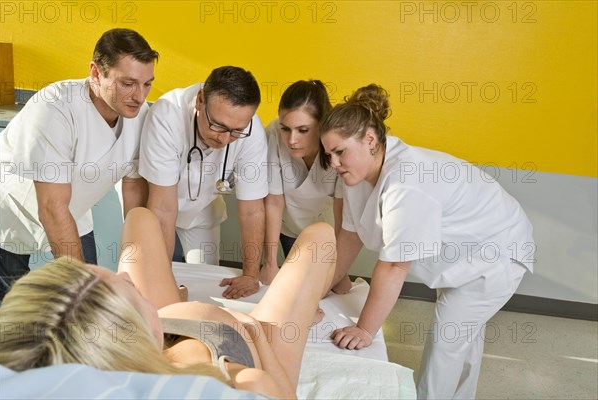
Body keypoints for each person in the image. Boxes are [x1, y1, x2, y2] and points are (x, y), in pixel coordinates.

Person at [320, 84, 535, 399]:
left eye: (340, 151)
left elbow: (395, 265)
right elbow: (349, 240)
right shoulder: (355, 174)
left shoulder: (406, 181)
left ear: (369, 139)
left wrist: (365, 330)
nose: (334, 163)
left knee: (447, 342)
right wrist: (319, 287)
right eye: (329, 154)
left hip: (497, 251)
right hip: (467, 252)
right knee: (462, 338)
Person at [0, 207, 335, 399]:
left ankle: (170, 297)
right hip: (247, 339)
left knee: (139, 217)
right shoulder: (242, 383)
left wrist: (167, 307)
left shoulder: (107, 352)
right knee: (320, 237)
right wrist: (255, 333)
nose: (127, 275)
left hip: (166, 322)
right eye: (129, 289)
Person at [0, 28, 158, 301]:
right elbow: (50, 206)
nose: (139, 96)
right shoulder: (55, 108)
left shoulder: (140, 115)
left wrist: (137, 266)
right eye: (128, 83)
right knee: (12, 312)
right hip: (11, 213)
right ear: (96, 73)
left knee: (86, 300)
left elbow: (133, 190)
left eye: (147, 84)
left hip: (74, 212)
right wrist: (84, 287)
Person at [140, 66, 267, 300]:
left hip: (203, 207)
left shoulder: (252, 131)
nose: (224, 138)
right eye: (217, 125)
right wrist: (163, 284)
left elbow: (252, 210)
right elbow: (162, 208)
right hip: (154, 201)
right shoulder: (167, 114)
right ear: (200, 100)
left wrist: (251, 274)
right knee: (151, 279)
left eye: (235, 131)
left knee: (209, 281)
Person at [261, 80, 343, 285]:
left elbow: (343, 210)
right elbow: (273, 201)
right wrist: (269, 263)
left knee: (327, 286)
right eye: (286, 128)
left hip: (326, 229)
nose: (291, 140)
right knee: (295, 284)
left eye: (303, 130)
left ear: (322, 125)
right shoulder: (273, 133)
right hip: (287, 226)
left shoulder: (340, 144)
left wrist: (341, 269)